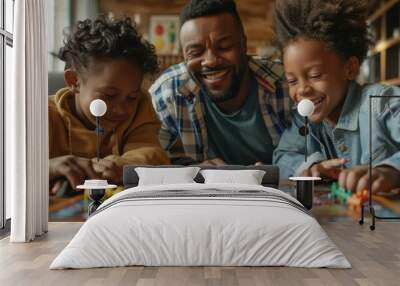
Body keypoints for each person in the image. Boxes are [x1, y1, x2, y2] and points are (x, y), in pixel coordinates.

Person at [272, 0, 400, 193]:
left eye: (315, 76)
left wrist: (392, 171)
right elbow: (282, 156)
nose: (302, 90)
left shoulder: (382, 103)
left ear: (350, 68)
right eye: (292, 81)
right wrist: (312, 167)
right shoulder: (304, 122)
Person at [150, 0, 292, 166]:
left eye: (224, 47)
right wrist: (192, 171)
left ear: (244, 44)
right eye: (196, 52)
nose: (210, 61)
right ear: (183, 57)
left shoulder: (285, 83)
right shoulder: (169, 93)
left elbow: (306, 153)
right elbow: (150, 159)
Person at [49, 15, 170, 194]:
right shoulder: (44, 117)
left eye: (131, 97)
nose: (121, 109)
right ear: (74, 81)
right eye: (109, 95)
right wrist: (48, 168)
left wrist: (118, 165)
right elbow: (12, 169)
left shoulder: (140, 105)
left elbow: (153, 154)